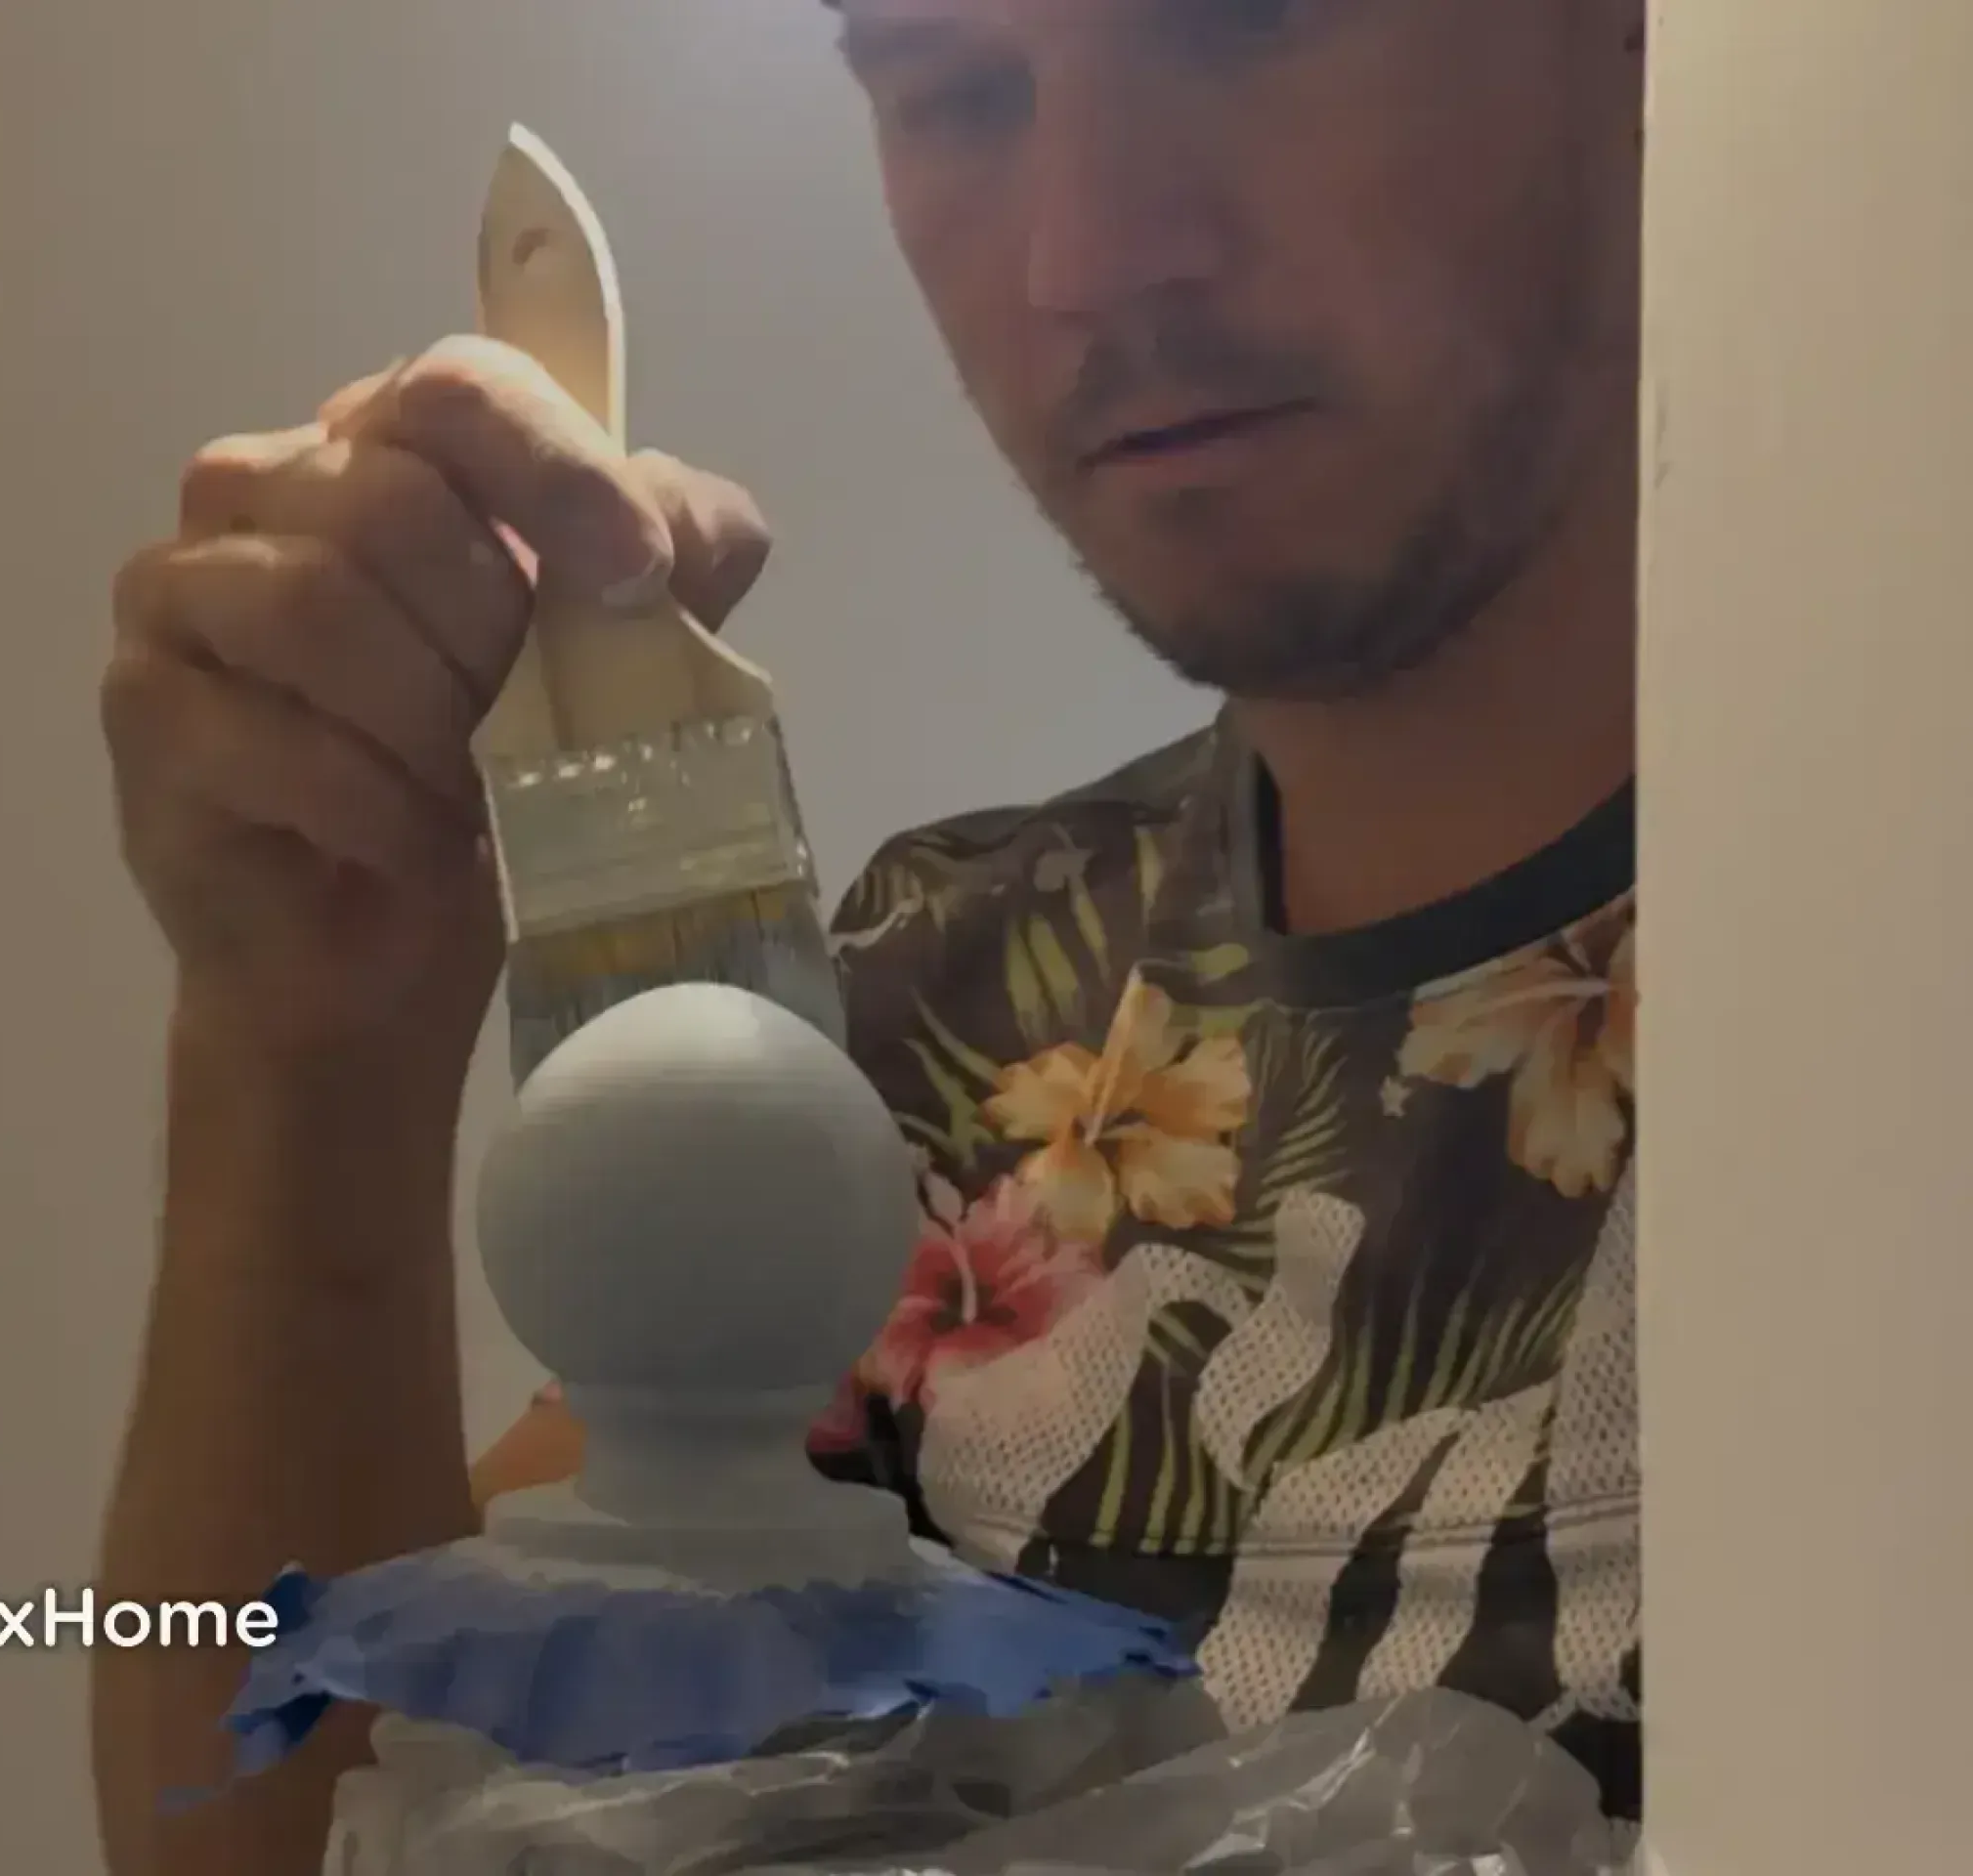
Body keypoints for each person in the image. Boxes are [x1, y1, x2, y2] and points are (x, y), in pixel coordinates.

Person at [91, 0, 1647, 1868]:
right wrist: (304, 1047)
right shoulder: (942, 1026)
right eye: (958, 87)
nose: (1088, 255)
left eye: (1244, 23)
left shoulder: (1897, 962)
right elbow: (330, 1819)